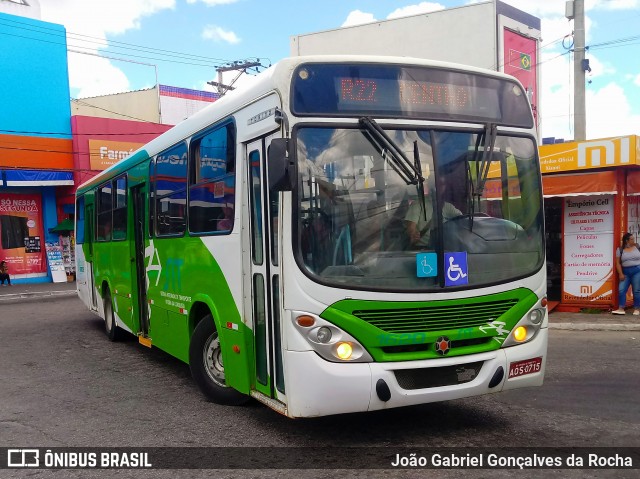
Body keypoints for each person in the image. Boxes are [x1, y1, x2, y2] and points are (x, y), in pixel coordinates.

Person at [404, 178, 462, 249]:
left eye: (442, 184)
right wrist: (413, 234)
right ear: (431, 185)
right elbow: (411, 228)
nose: (439, 187)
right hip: (424, 249)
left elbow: (462, 219)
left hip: (446, 247)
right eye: (437, 184)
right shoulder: (418, 204)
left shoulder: (447, 206)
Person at [612, 232, 640, 315]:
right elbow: (617, 263)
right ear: (627, 240)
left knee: (636, 290)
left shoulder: (637, 247)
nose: (633, 240)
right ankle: (621, 308)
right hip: (625, 272)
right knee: (621, 290)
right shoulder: (620, 250)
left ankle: (637, 309)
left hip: (637, 271)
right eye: (631, 239)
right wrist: (620, 273)